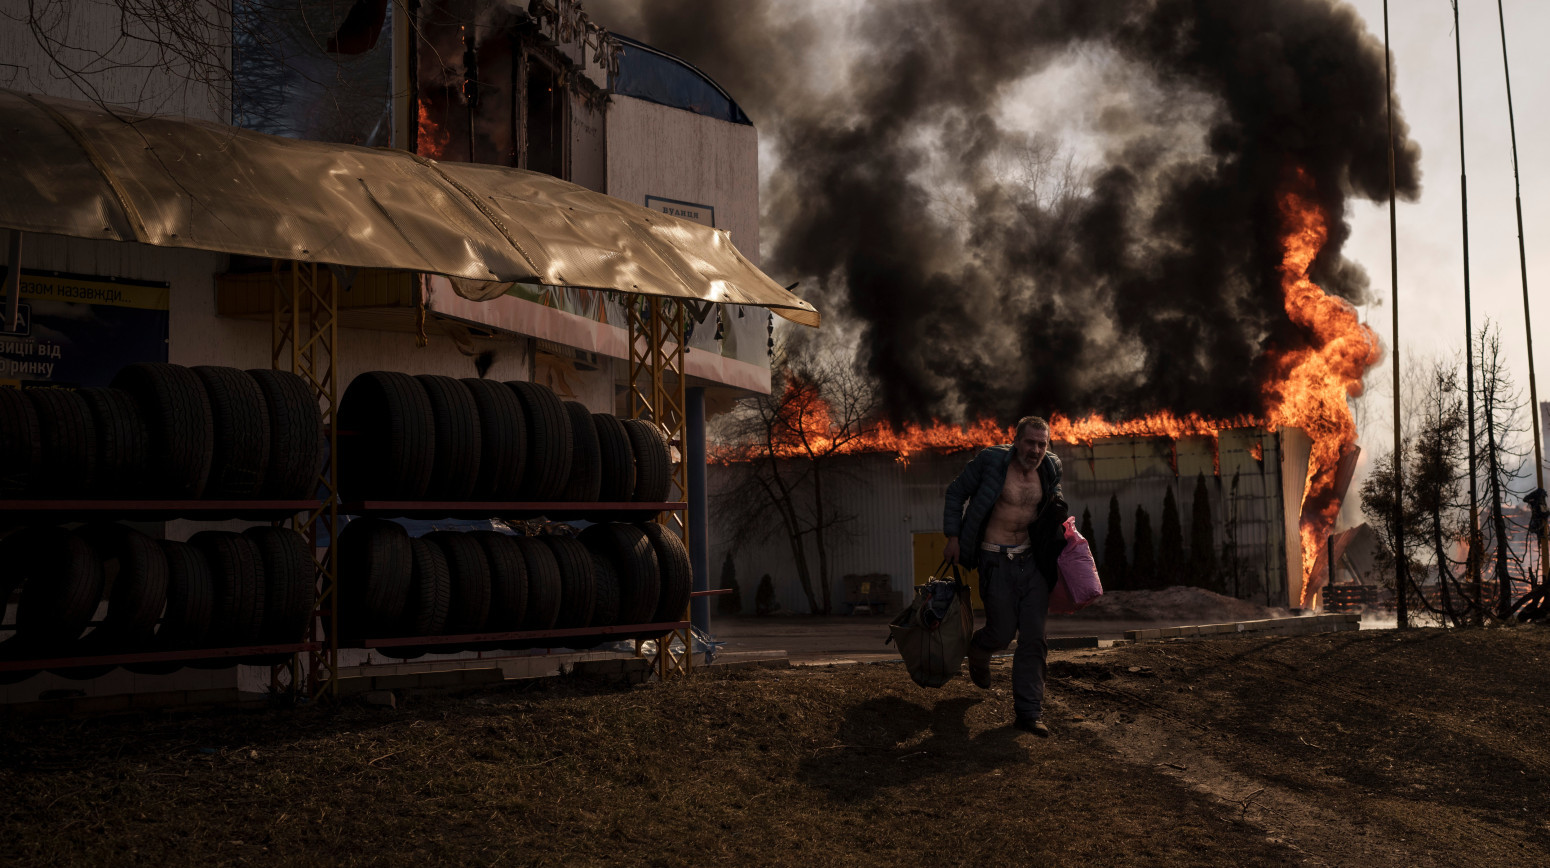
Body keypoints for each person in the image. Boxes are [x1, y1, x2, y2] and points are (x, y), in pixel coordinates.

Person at [942, 415, 1067, 737]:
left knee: (1034, 638)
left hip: (1031, 562)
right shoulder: (991, 462)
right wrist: (953, 537)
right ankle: (980, 649)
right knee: (1001, 632)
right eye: (1030, 442)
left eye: (1042, 443)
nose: (1036, 449)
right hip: (994, 559)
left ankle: (1028, 712)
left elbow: (1054, 504)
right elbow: (956, 493)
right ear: (1016, 441)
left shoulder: (1051, 467)